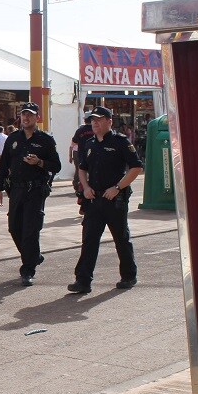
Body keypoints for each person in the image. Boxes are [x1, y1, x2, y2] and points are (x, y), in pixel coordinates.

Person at [67, 106, 144, 294]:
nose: (94, 123)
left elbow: (136, 167)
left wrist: (118, 187)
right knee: (89, 240)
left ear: (109, 121)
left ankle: (128, 276)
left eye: (99, 119)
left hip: (114, 200)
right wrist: (85, 187)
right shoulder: (89, 143)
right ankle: (83, 281)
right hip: (94, 199)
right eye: (92, 120)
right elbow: (82, 168)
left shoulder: (120, 142)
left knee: (121, 239)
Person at [0, 102, 61, 286]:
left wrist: (39, 162)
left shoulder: (46, 140)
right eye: (23, 115)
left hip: (36, 190)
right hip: (16, 189)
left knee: (30, 231)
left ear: (37, 117)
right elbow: (3, 165)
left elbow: (56, 166)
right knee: (14, 227)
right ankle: (33, 255)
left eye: (30, 115)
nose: (26, 118)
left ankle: (27, 270)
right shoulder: (13, 138)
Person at [70, 112, 95, 215]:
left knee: (82, 181)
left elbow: (73, 143)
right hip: (94, 159)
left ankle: (82, 204)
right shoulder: (95, 129)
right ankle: (86, 206)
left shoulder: (80, 130)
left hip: (81, 159)